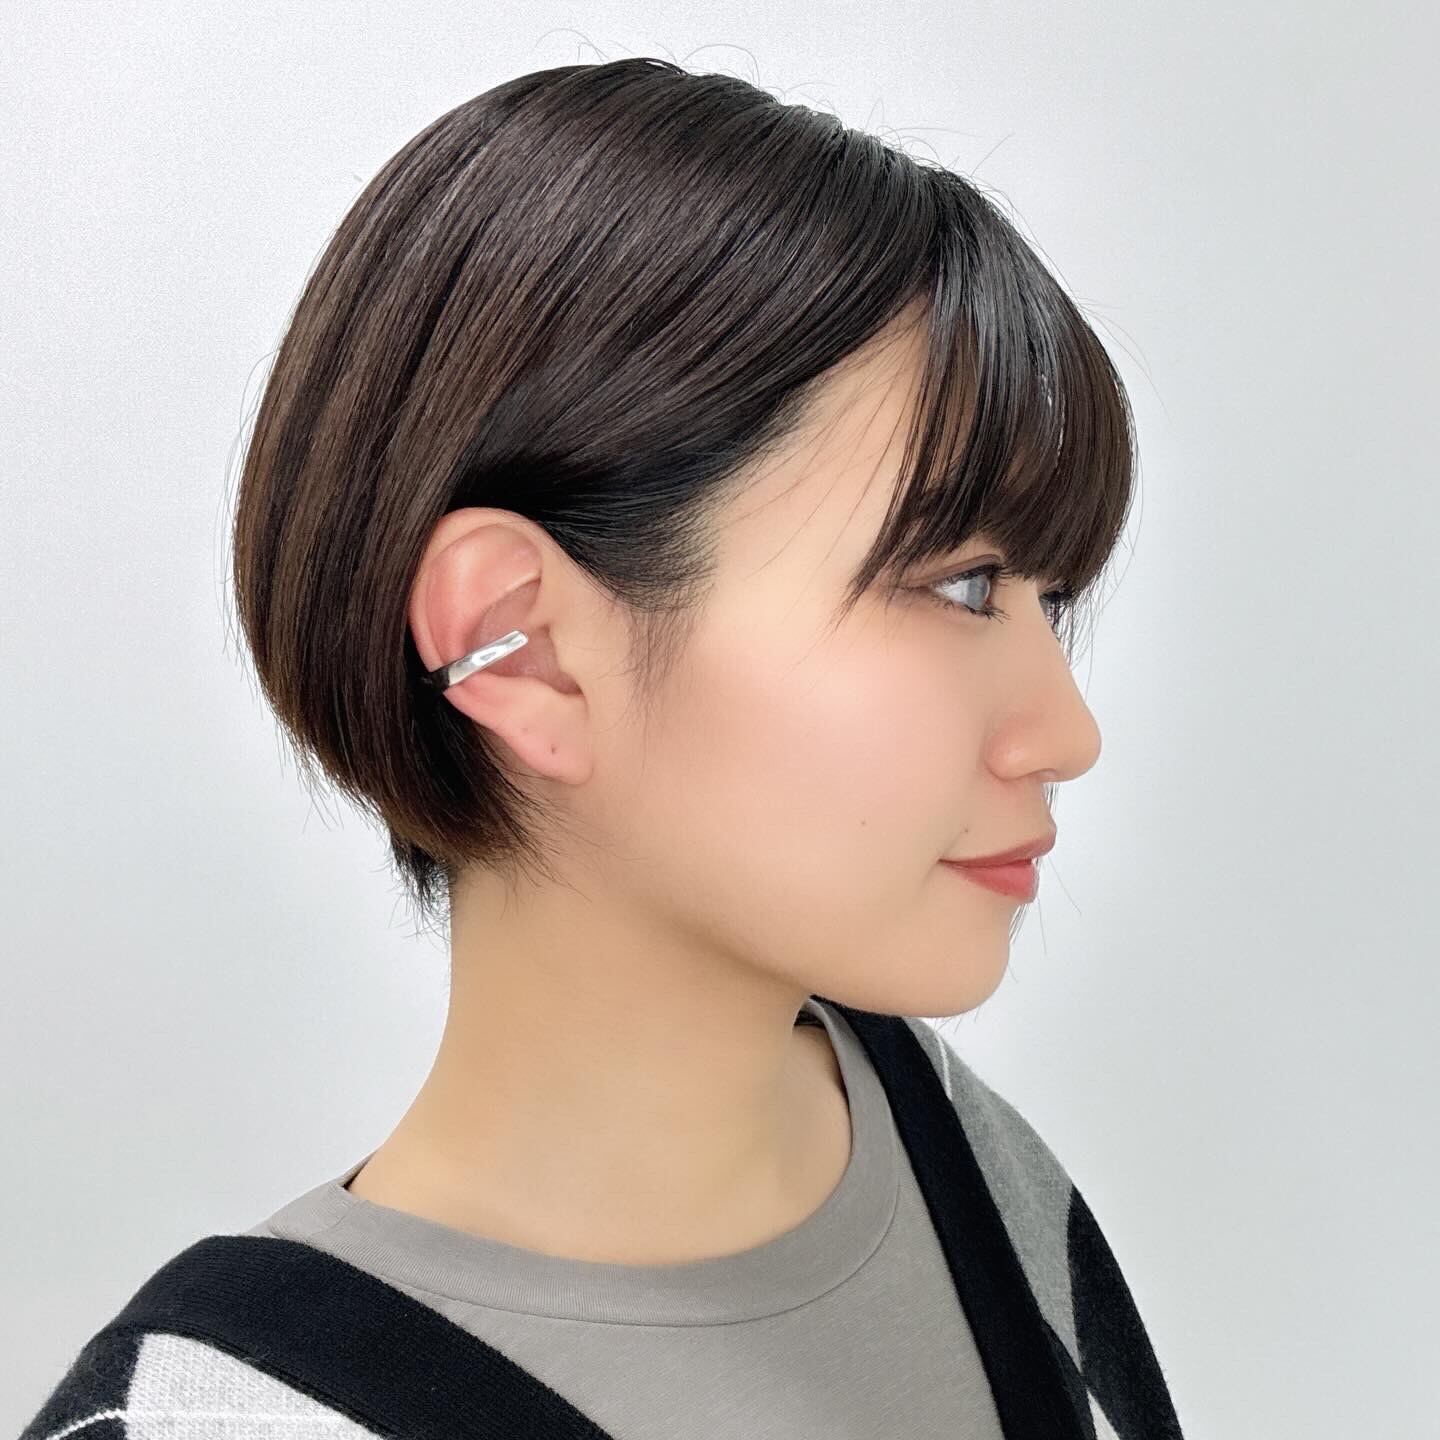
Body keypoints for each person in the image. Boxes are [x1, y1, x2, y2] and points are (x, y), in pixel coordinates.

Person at [22, 56, 1184, 1440]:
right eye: (961, 585)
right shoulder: (211, 1421)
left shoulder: (967, 1169)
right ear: (523, 644)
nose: (1068, 733)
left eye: (1052, 597)